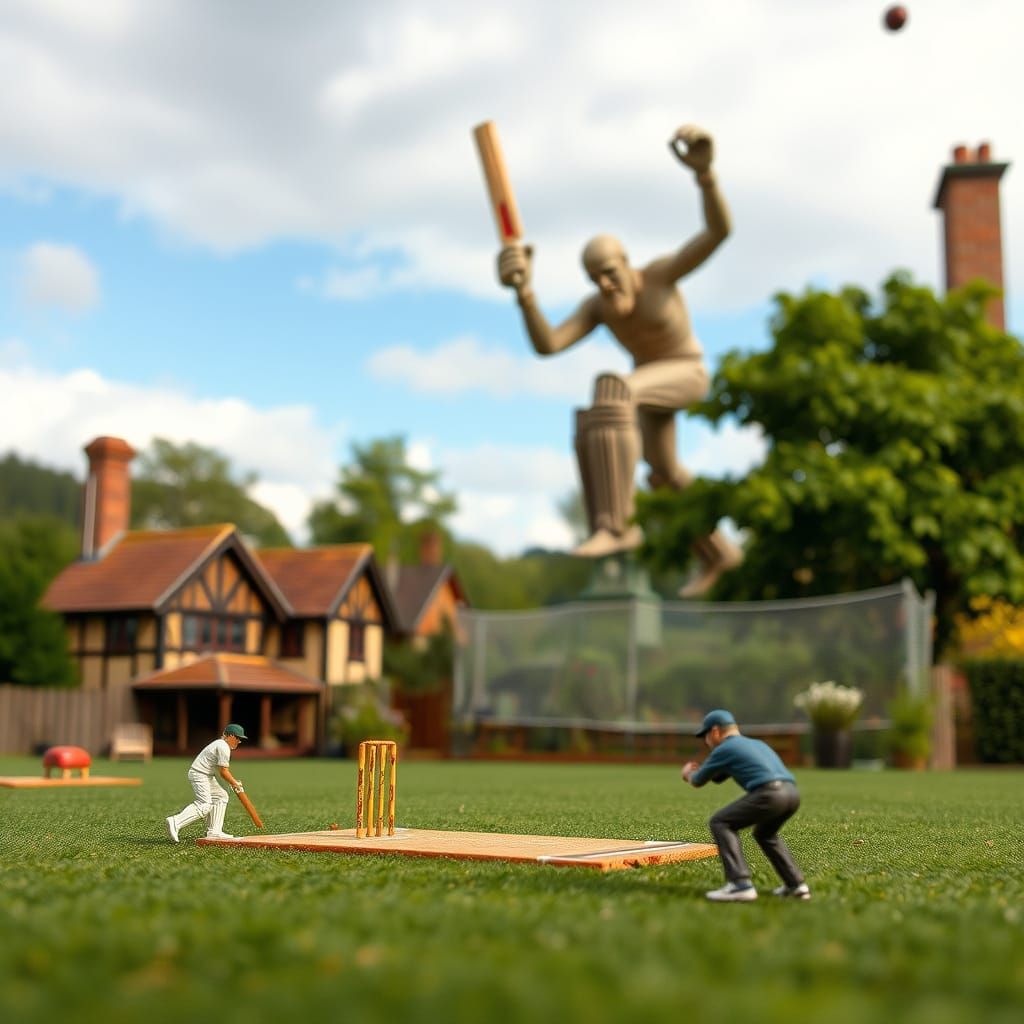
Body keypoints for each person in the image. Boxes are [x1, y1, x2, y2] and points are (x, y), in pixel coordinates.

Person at [497, 124, 741, 596]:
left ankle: (615, 524)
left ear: (626, 263)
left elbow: (717, 231)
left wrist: (705, 176)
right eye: (595, 280)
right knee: (664, 474)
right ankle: (718, 554)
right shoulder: (599, 308)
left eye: (610, 273)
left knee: (614, 387)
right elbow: (549, 344)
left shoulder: (660, 276)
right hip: (649, 390)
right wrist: (524, 293)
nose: (606, 287)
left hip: (686, 372)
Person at [681, 709, 810, 902]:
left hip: (770, 794)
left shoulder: (724, 749)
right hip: (792, 794)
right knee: (765, 834)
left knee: (721, 822)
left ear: (715, 732)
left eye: (705, 736)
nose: (706, 742)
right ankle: (796, 885)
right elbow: (720, 776)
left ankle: (740, 884)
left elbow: (698, 781)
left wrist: (688, 774)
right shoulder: (756, 744)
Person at [165, 723, 248, 843]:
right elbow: (224, 772)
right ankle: (176, 821)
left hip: (206, 775)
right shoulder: (223, 747)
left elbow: (221, 771)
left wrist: (233, 782)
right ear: (230, 736)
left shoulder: (220, 744)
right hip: (199, 774)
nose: (239, 742)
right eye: (238, 738)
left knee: (221, 796)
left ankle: (214, 832)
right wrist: (234, 783)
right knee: (205, 804)